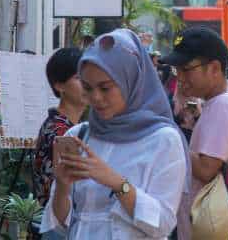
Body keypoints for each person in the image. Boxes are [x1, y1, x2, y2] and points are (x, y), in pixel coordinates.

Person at [40, 29, 189, 239]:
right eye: (88, 88)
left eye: (106, 88)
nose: (96, 98)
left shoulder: (163, 139)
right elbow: (59, 226)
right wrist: (63, 187)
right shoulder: (79, 135)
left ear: (130, 80)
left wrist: (118, 183)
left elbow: (163, 223)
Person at [161, 25, 228, 240]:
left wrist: (173, 136)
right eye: (177, 70)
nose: (180, 77)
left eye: (186, 69)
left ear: (214, 68)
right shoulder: (220, 101)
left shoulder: (222, 105)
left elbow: (205, 169)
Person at [32, 48, 86, 213]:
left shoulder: (66, 125)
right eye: (78, 78)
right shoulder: (60, 132)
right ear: (59, 85)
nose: (87, 84)